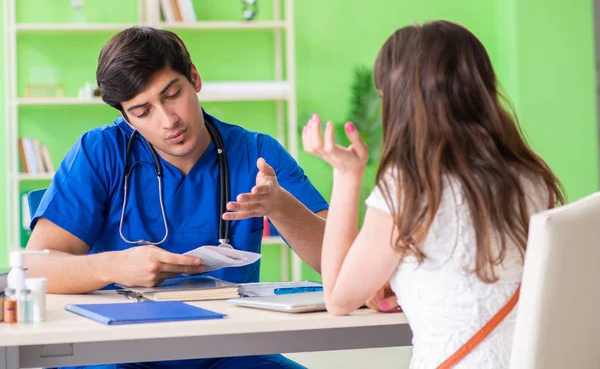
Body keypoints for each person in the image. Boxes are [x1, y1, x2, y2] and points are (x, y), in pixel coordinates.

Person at [25, 26, 329, 369]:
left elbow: (340, 262)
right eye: (142, 112)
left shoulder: (256, 152)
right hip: (115, 352)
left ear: (195, 78)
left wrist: (282, 207)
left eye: (172, 94)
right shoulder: (100, 152)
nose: (168, 120)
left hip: (227, 352)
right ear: (125, 116)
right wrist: (114, 266)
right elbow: (34, 265)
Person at [302, 20, 565, 368]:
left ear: (405, 100)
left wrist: (346, 175)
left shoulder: (408, 185)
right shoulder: (531, 177)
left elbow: (338, 299)